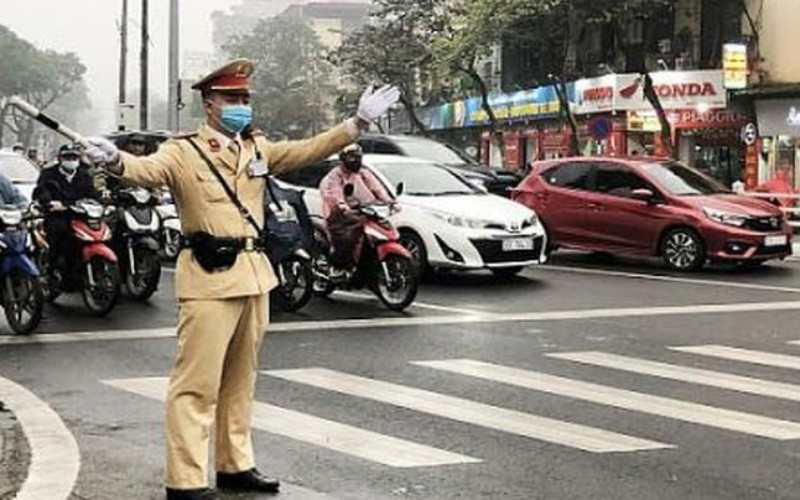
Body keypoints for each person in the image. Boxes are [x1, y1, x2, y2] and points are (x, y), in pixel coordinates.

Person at [83, 58, 399, 500]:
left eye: (245, 99)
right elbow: (146, 171)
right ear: (209, 103)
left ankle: (235, 464)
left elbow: (308, 149)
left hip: (254, 275)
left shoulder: (256, 148)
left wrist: (357, 122)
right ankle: (186, 480)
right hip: (209, 279)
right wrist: (115, 161)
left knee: (240, 381)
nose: (241, 106)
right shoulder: (183, 150)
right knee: (196, 384)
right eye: (232, 99)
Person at [319, 144, 396, 274]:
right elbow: (335, 193)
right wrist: (343, 206)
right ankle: (338, 266)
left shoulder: (363, 173)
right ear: (343, 159)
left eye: (358, 157)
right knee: (347, 238)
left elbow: (376, 188)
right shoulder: (335, 175)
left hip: (360, 210)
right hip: (338, 213)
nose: (355, 161)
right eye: (352, 157)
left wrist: (390, 202)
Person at [33, 144, 100, 271]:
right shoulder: (49, 174)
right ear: (60, 158)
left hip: (81, 215)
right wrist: (49, 202)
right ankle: (54, 268)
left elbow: (93, 195)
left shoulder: (84, 175)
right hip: (58, 216)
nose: (70, 160)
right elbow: (41, 192)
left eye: (73, 157)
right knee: (59, 231)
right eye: (67, 157)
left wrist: (102, 202)